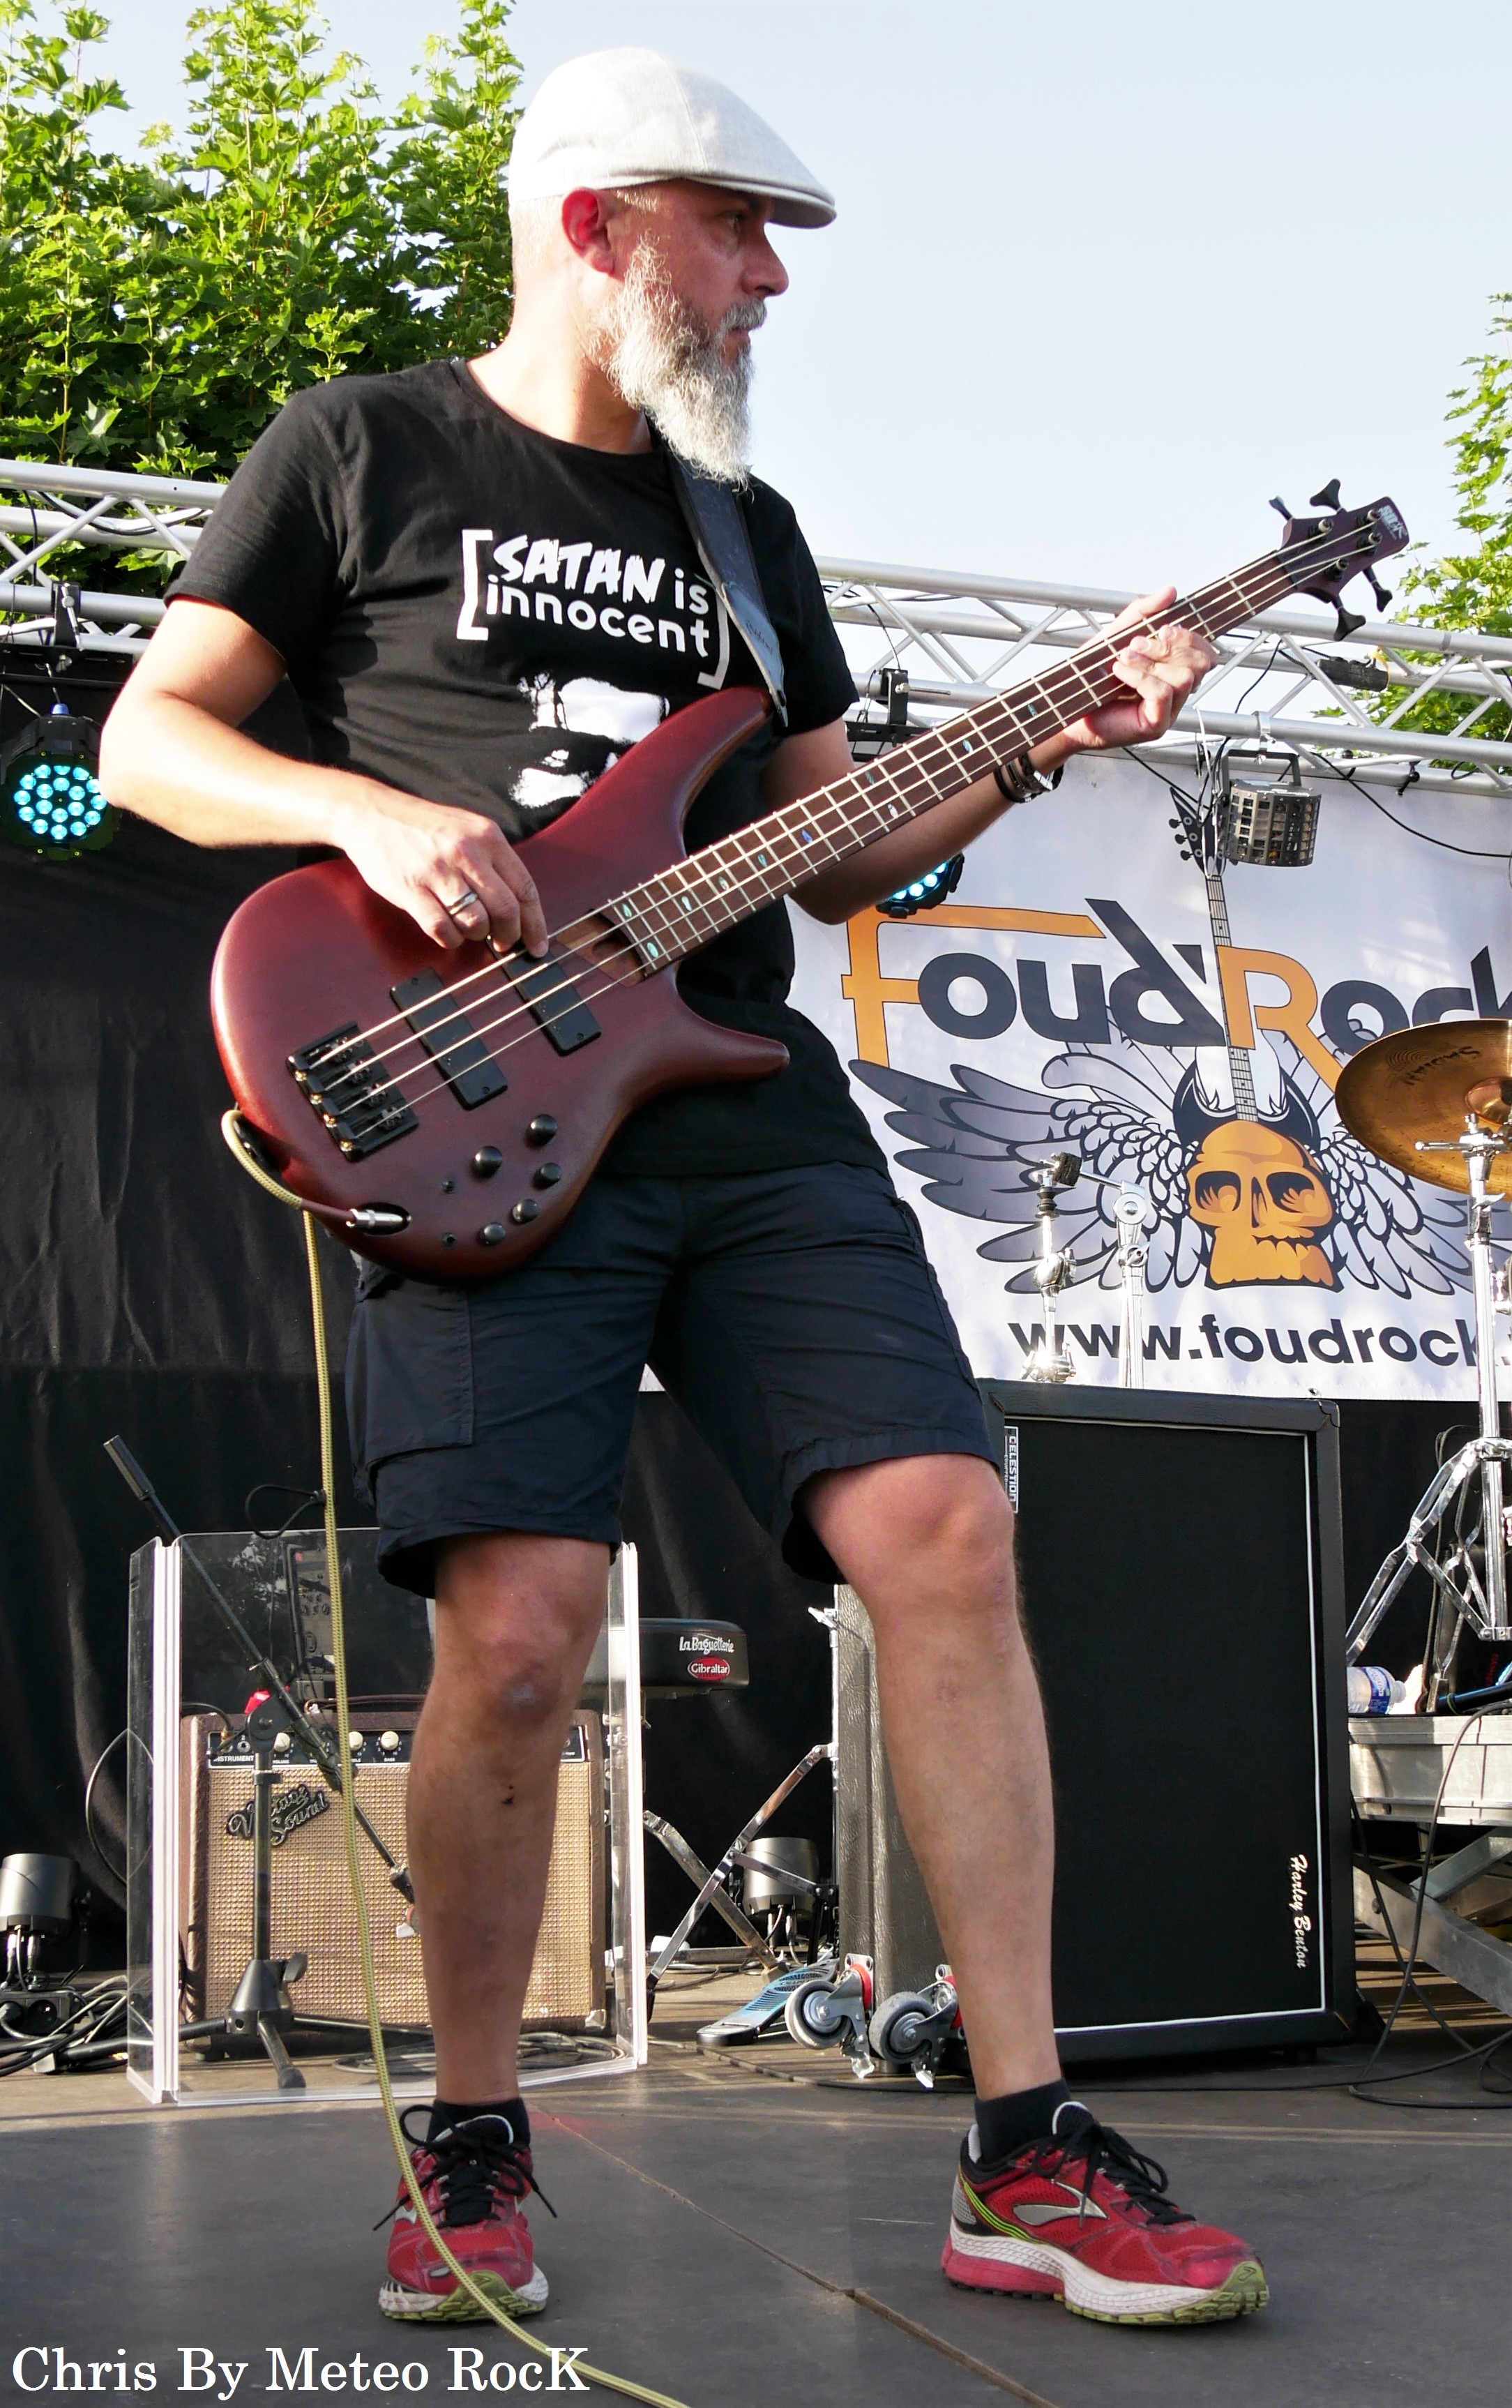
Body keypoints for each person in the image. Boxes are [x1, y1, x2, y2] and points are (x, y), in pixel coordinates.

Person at [101, 46, 1266, 2332]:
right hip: (474, 1111)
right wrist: (363, 817)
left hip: (737, 1102)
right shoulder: (362, 446)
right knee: (522, 1627)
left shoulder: (748, 532)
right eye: (735, 234)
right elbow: (153, 737)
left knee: (948, 1525)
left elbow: (846, 845)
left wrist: (1049, 737)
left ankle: (1026, 2142)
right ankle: (469, 2136)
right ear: (594, 227)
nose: (767, 285)